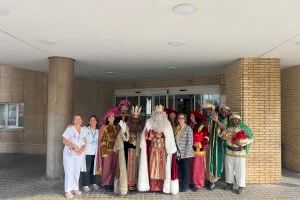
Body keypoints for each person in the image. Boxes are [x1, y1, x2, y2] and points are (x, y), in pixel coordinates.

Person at [138, 105, 179, 194]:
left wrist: (163, 136)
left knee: (162, 168)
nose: (158, 114)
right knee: (152, 167)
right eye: (157, 113)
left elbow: (170, 137)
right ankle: (153, 187)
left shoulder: (167, 123)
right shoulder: (149, 122)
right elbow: (146, 137)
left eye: (160, 113)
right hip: (153, 149)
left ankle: (161, 187)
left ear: (163, 113)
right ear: (154, 113)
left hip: (162, 150)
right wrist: (149, 131)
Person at [113, 105, 145, 195]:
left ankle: (134, 185)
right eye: (134, 115)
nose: (135, 116)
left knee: (135, 166)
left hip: (136, 149)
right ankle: (125, 184)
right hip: (127, 148)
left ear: (138, 116)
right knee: (125, 166)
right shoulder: (127, 124)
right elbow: (124, 137)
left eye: (137, 115)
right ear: (132, 115)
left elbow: (142, 137)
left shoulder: (140, 126)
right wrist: (123, 131)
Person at [219, 113, 253, 194]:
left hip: (240, 152)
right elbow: (222, 136)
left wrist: (241, 142)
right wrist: (225, 135)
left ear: (239, 120)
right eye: (233, 119)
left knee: (240, 170)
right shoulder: (228, 127)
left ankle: (241, 186)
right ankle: (229, 183)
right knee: (229, 168)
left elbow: (251, 138)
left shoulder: (245, 128)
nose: (234, 120)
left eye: (236, 119)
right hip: (229, 151)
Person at [202, 103, 228, 190]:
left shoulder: (219, 118)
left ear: (212, 110)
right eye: (206, 110)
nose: (207, 111)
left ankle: (213, 181)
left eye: (209, 109)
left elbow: (224, 128)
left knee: (215, 162)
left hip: (217, 145)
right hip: (209, 144)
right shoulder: (207, 119)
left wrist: (216, 120)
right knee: (208, 162)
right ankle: (208, 180)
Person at [95, 108, 120, 191]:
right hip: (107, 151)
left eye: (112, 117)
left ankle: (112, 183)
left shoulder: (117, 127)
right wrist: (104, 152)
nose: (111, 118)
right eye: (109, 117)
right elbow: (103, 140)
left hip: (115, 151)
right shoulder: (104, 127)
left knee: (114, 167)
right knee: (107, 168)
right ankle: (106, 183)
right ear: (107, 118)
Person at [62, 115, 87, 199]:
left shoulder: (84, 130)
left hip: (79, 154)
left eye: (79, 119)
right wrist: (74, 146)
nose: (78, 120)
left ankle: (75, 188)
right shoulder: (69, 129)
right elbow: (64, 140)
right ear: (73, 121)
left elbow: (85, 142)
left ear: (81, 121)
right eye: (76, 119)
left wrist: (81, 150)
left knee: (77, 172)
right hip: (69, 154)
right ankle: (67, 191)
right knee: (69, 172)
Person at [189, 110, 209, 191]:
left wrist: (199, 144)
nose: (190, 118)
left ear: (196, 118)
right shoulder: (192, 126)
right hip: (191, 151)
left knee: (198, 169)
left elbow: (206, 138)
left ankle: (198, 184)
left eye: (192, 117)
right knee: (192, 167)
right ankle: (192, 182)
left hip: (199, 151)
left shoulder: (203, 127)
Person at [174, 113, 194, 192]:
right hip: (178, 153)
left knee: (186, 171)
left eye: (182, 118)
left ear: (185, 119)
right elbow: (176, 141)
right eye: (179, 118)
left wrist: (186, 153)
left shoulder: (188, 128)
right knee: (180, 170)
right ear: (178, 119)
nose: (181, 119)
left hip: (186, 154)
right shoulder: (177, 128)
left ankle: (185, 186)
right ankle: (180, 185)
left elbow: (190, 142)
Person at [81, 115, 100, 192]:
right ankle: (85, 184)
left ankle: (93, 183)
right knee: (87, 168)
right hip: (87, 152)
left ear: (96, 122)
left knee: (93, 169)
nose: (92, 122)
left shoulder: (98, 131)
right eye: (91, 120)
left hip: (95, 153)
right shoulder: (85, 129)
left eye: (94, 120)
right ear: (89, 122)